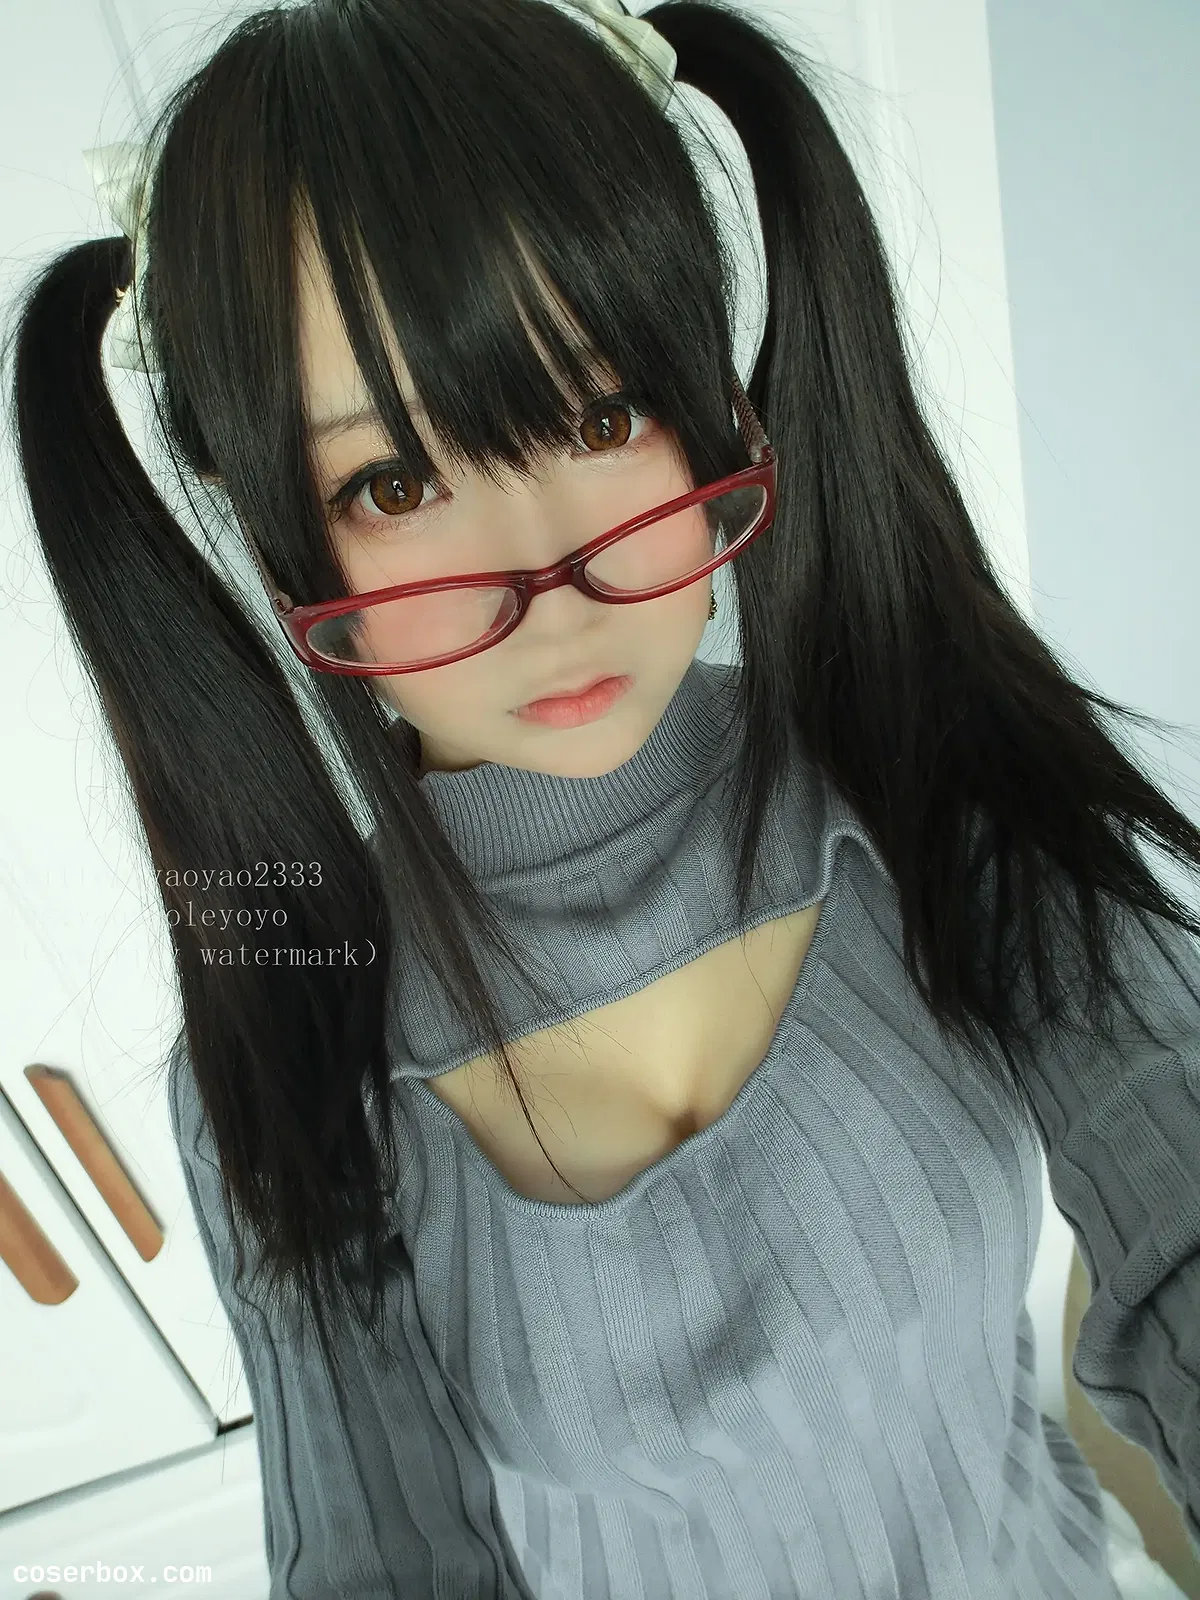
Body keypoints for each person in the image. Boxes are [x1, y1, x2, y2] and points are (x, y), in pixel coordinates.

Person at [5, 0, 1200, 1594]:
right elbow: (382, 1564)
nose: (547, 580)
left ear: (712, 385)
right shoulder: (293, 1047)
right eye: (394, 483)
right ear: (269, 517)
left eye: (599, 413)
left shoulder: (942, 798)